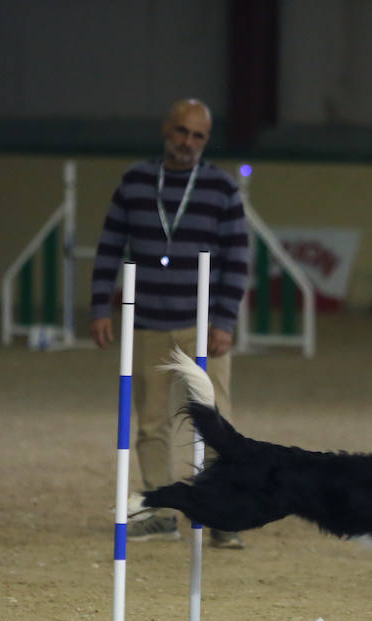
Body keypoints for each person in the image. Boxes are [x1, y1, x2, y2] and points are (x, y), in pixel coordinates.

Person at [89, 98, 251, 549]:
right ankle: (160, 512)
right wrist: (100, 306)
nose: (188, 143)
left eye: (198, 136)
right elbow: (109, 246)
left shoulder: (221, 187)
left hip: (202, 325)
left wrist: (224, 321)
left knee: (215, 420)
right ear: (166, 130)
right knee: (151, 423)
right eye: (182, 132)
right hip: (145, 324)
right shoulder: (135, 181)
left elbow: (237, 258)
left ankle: (223, 512)